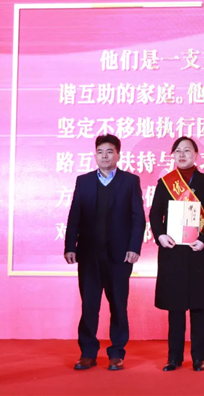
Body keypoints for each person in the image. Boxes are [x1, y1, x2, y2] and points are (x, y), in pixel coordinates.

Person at [64, 134, 146, 371]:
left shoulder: (130, 181)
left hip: (120, 257)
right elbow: (74, 216)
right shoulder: (84, 181)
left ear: (118, 155)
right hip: (89, 255)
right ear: (95, 155)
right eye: (100, 152)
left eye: (110, 151)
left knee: (118, 305)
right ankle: (88, 353)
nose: (104, 156)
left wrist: (134, 247)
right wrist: (70, 246)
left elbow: (137, 218)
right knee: (89, 305)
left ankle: (117, 353)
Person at [149, 136, 204, 372]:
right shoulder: (165, 183)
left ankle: (199, 358)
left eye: (187, 150)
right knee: (175, 307)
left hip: (199, 250)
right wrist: (160, 236)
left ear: (196, 155)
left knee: (199, 307)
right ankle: (174, 357)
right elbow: (155, 214)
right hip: (173, 251)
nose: (182, 154)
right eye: (178, 151)